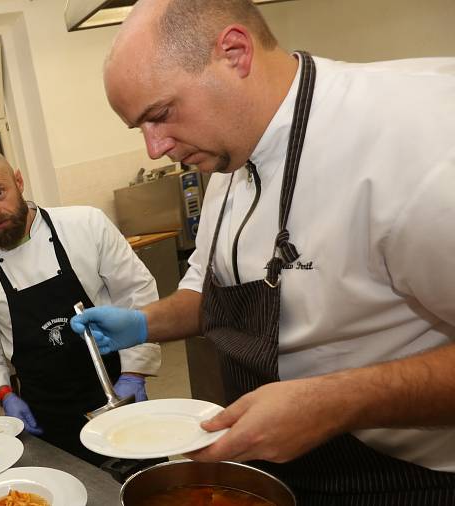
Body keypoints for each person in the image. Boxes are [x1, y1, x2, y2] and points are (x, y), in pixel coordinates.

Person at [71, 0, 455, 503]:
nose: (154, 148)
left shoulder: (422, 138)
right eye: (139, 128)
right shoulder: (225, 160)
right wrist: (143, 323)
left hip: (406, 476)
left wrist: (333, 402)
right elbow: (212, 290)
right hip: (282, 464)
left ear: (234, 52)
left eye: (160, 115)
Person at [0, 150, 162, 465]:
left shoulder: (85, 225)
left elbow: (137, 293)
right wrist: (5, 394)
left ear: (19, 181)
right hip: (46, 417)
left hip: (114, 392)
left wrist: (135, 371)